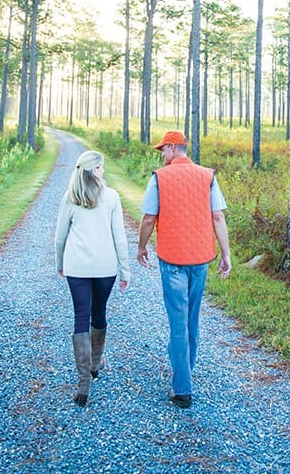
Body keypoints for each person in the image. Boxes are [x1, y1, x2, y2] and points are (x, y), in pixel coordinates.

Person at [137, 130, 231, 408]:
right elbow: (217, 216)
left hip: (172, 259)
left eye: (163, 150)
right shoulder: (207, 176)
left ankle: (182, 388)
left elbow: (148, 219)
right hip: (200, 258)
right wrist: (225, 254)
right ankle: (185, 368)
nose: (162, 155)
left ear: (173, 147)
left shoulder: (159, 177)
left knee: (178, 320)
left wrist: (141, 247)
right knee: (192, 316)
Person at [55, 149, 130, 407]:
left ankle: (83, 384)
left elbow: (60, 236)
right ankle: (95, 364)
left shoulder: (70, 198)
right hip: (105, 268)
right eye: (102, 167)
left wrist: (59, 262)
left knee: (80, 317)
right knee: (98, 313)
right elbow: (119, 236)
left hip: (76, 267)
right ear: (94, 170)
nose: (104, 170)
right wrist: (125, 270)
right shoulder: (111, 197)